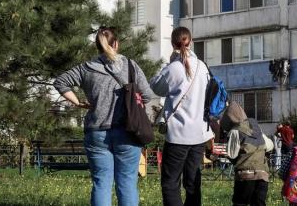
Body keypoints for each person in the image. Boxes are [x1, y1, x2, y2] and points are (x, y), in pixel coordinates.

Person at [53, 27, 154, 206]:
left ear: (98, 46)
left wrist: (78, 102)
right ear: (116, 43)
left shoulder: (86, 68)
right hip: (127, 132)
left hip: (96, 132)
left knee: (101, 183)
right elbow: (146, 95)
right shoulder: (130, 65)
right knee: (127, 183)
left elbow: (60, 82)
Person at [150, 27, 213, 206]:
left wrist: (168, 64)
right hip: (199, 135)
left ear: (173, 44)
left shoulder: (174, 68)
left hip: (178, 135)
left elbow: (156, 87)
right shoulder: (203, 67)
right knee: (193, 183)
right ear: (190, 41)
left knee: (170, 183)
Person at [219, 101, 273, 206]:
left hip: (245, 175)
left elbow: (232, 154)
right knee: (258, 203)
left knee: (240, 203)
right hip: (262, 175)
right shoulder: (256, 128)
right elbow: (270, 145)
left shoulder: (235, 131)